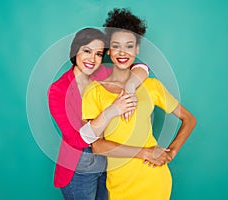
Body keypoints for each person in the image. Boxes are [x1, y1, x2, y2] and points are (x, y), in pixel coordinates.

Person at [82, 8, 197, 199]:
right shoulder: (94, 91)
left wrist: (171, 152)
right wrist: (144, 152)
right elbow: (97, 146)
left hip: (154, 179)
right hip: (119, 183)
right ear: (109, 50)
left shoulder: (151, 86)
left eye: (129, 46)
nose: (122, 52)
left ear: (137, 49)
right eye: (116, 46)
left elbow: (189, 119)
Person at [48, 28, 156, 200]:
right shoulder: (58, 90)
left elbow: (141, 67)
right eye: (87, 51)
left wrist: (130, 87)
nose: (92, 59)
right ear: (75, 50)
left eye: (98, 54)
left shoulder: (103, 75)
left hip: (107, 159)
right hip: (79, 166)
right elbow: (76, 139)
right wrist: (113, 110)